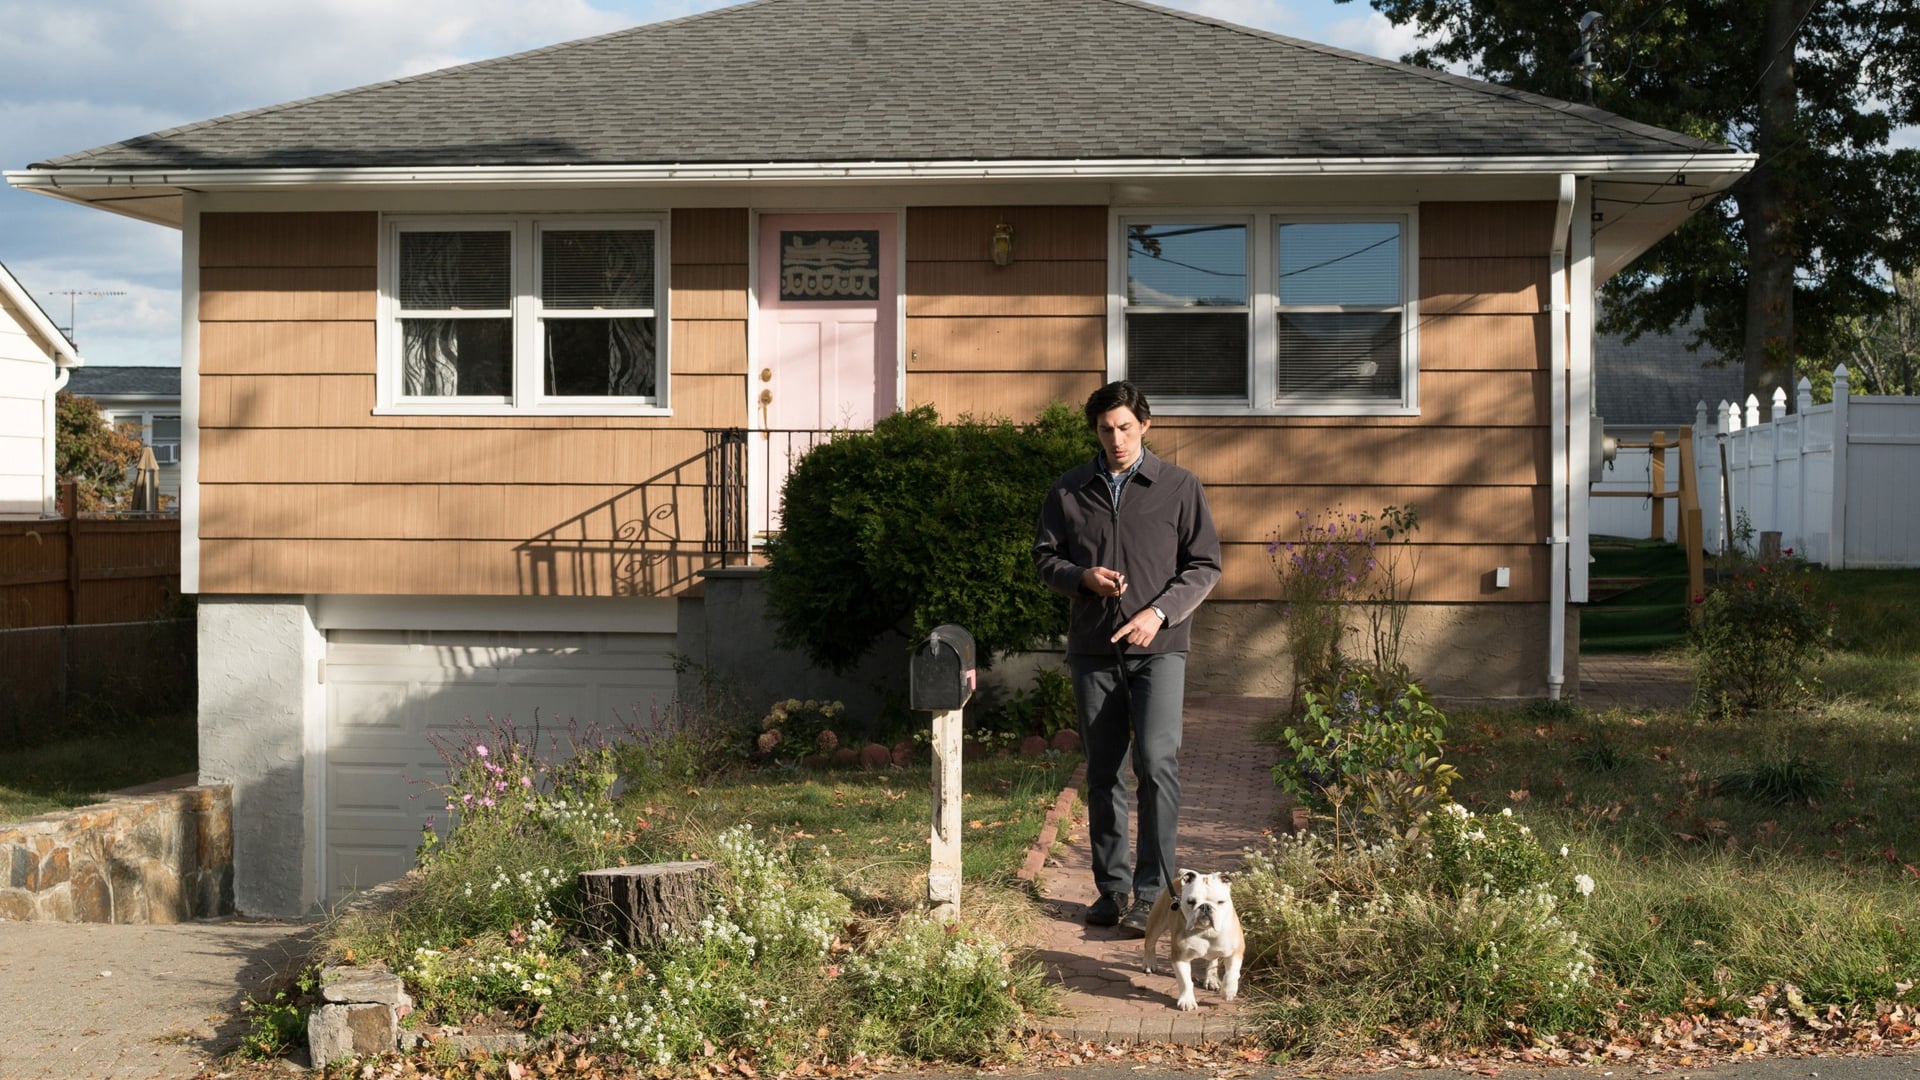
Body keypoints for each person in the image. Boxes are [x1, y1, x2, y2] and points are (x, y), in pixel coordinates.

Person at [1033, 381, 1222, 934]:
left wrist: (1158, 614)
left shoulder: (1179, 487)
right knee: (1104, 771)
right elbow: (1044, 559)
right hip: (1094, 648)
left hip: (1159, 649)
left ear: (1144, 425)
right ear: (1094, 431)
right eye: (1104, 429)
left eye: (1124, 426)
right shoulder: (1069, 491)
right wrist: (1081, 578)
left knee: (1157, 767)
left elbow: (1204, 566)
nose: (1115, 438)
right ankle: (1112, 891)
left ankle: (1152, 894)